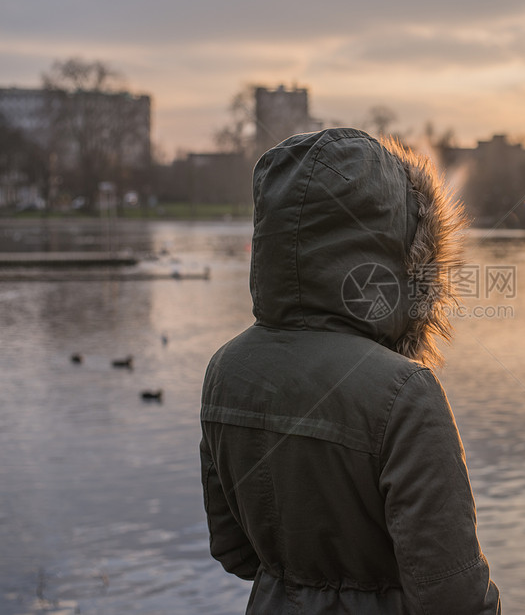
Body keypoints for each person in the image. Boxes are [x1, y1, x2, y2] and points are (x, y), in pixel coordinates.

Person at [200, 127, 501, 614]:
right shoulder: (404, 392)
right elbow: (455, 598)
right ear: (401, 248)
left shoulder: (226, 369)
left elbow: (233, 551)